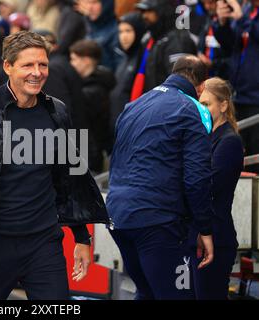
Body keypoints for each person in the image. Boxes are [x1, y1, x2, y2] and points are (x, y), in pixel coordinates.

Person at [0, 31, 108, 300]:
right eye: (28, 65)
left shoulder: (57, 112)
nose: (37, 73)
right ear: (8, 66)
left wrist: (82, 237)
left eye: (43, 65)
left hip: (43, 244)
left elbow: (69, 180)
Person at [106, 55, 214, 300]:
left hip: (118, 215)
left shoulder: (134, 105)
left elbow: (117, 160)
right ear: (201, 86)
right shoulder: (193, 108)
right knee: (177, 295)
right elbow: (197, 177)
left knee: (147, 293)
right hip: (157, 219)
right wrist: (204, 228)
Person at [190, 77, 243, 300]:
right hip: (201, 233)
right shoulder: (206, 137)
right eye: (199, 105)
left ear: (223, 105)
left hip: (216, 236)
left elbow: (209, 185)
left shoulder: (229, 141)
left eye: (207, 104)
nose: (202, 110)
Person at [213, 0, 259, 173]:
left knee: (255, 158)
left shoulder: (244, 14)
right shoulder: (247, 8)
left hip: (256, 98)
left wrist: (242, 19)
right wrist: (222, 23)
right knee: (238, 155)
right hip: (238, 93)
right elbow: (230, 44)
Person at [130, 0, 197, 100]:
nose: (144, 16)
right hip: (151, 103)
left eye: (149, 11)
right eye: (143, 12)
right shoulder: (149, 40)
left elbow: (181, 82)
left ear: (162, 11)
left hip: (169, 105)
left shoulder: (178, 40)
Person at [69, 39, 116, 173]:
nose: (71, 64)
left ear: (86, 60)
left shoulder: (91, 91)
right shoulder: (99, 82)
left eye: (74, 59)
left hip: (93, 150)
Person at [109, 12, 146, 154]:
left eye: (128, 31)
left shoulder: (142, 59)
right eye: (120, 31)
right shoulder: (124, 59)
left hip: (135, 131)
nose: (123, 36)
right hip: (120, 130)